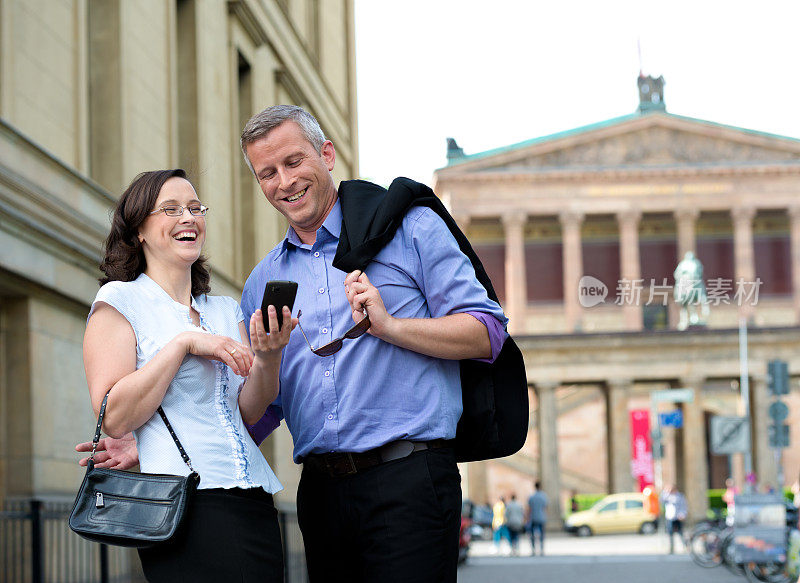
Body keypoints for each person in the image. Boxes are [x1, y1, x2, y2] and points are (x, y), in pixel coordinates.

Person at [78, 105, 508, 582]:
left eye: (294, 161)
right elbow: (256, 406)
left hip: (409, 478)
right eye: (267, 173)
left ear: (326, 154)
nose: (284, 181)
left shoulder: (412, 229)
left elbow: (487, 333)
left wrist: (391, 327)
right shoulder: (263, 282)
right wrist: (153, 439)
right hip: (322, 496)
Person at [81, 169, 291, 582]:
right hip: (182, 504)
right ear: (139, 229)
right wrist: (182, 345)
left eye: (196, 208)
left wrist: (269, 357)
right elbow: (115, 416)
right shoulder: (120, 301)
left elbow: (247, 414)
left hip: (252, 497)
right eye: (171, 209)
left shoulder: (225, 310)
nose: (189, 218)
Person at [661, 484, 688, 554]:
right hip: (670, 517)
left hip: (678, 517)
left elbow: (684, 506)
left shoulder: (679, 496)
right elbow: (661, 500)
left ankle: (686, 547)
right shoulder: (667, 496)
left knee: (681, 533)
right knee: (670, 534)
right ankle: (671, 548)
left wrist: (682, 514)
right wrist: (665, 491)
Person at [527, 480, 548, 556]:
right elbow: (545, 507)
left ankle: (533, 550)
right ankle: (542, 550)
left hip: (533, 517)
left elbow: (529, 509)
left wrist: (527, 518)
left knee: (532, 535)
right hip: (541, 517)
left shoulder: (531, 496)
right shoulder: (543, 496)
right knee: (542, 535)